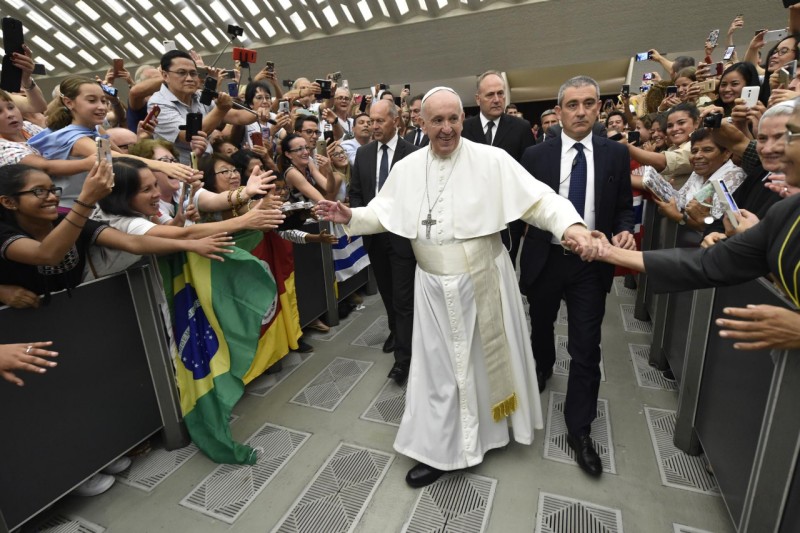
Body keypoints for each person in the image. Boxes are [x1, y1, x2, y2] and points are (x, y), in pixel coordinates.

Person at [316, 86, 602, 489]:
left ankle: (486, 435)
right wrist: (351, 215)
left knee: (482, 365)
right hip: (432, 287)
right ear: (422, 123)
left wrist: (572, 226)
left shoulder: (491, 159)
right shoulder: (409, 168)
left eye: (454, 119)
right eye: (437, 120)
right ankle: (444, 449)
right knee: (440, 370)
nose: (447, 128)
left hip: (483, 279)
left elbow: (539, 200)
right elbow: (384, 211)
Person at [519, 76, 635, 478]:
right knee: (540, 324)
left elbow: (623, 207)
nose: (581, 111)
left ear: (599, 108)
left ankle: (579, 428)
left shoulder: (615, 154)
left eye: (588, 103)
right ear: (559, 111)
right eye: (572, 104)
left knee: (586, 346)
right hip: (546, 258)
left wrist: (624, 230)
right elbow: (522, 209)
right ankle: (541, 366)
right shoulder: (536, 156)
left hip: (591, 264)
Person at [348, 99, 419, 384]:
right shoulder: (363, 154)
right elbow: (356, 193)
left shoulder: (412, 154)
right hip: (375, 237)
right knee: (387, 294)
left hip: (402, 237)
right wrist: (360, 219)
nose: (373, 126)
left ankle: (404, 359)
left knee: (403, 298)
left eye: (379, 121)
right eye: (370, 121)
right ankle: (396, 332)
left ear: (395, 121)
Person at [462, 71, 535, 265]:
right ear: (478, 99)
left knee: (506, 266)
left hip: (509, 217)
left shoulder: (521, 128)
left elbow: (527, 173)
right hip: (472, 217)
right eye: (490, 95)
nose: (497, 99)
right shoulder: (464, 129)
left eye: (500, 93)